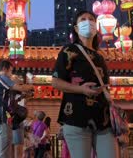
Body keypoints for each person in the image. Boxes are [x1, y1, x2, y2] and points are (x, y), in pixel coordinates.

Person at [51, 11, 116, 158]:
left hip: (103, 119)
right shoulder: (69, 50)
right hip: (76, 117)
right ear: (76, 27)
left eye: (91, 19)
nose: (88, 22)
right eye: (83, 19)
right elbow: (55, 81)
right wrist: (81, 89)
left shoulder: (100, 56)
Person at [0, 60, 34, 158]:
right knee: (4, 153)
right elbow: (20, 88)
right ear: (4, 69)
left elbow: (17, 95)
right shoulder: (1, 78)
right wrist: (30, 85)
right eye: (10, 71)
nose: (11, 75)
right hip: (2, 120)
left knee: (0, 151)